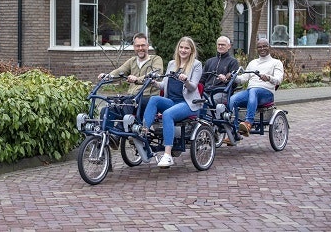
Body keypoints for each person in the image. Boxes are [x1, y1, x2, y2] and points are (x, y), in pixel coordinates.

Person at [143, 36, 203, 167]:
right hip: (172, 101)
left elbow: (193, 86)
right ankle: (143, 133)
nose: (183, 50)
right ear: (178, 49)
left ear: (191, 51)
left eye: (186, 48)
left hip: (188, 103)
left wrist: (185, 80)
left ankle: (168, 155)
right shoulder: (172, 64)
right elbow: (163, 86)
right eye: (181, 47)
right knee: (154, 99)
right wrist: (153, 82)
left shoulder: (196, 65)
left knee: (167, 114)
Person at [98, 32, 163, 149]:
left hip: (149, 98)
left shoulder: (156, 59)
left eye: (143, 45)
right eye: (137, 46)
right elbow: (119, 70)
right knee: (108, 108)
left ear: (148, 46)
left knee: (128, 102)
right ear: (134, 47)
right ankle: (106, 137)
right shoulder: (132, 61)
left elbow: (156, 74)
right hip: (132, 98)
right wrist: (107, 76)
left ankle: (117, 134)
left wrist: (137, 79)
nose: (140, 48)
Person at [229, 38, 284, 137]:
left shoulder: (276, 62)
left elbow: (278, 79)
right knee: (233, 99)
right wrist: (232, 77)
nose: (262, 48)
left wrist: (268, 77)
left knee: (253, 91)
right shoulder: (253, 63)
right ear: (257, 49)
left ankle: (248, 123)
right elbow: (243, 79)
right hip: (251, 93)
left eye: (264, 46)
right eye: (259, 47)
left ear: (269, 47)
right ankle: (233, 130)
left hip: (267, 93)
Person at [200, 36, 239, 105]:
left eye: (223, 45)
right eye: (219, 44)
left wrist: (225, 80)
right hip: (206, 91)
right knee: (195, 101)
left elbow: (234, 83)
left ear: (229, 46)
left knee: (207, 103)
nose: (220, 46)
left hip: (222, 92)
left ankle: (211, 115)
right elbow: (202, 79)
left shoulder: (233, 62)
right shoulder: (209, 61)